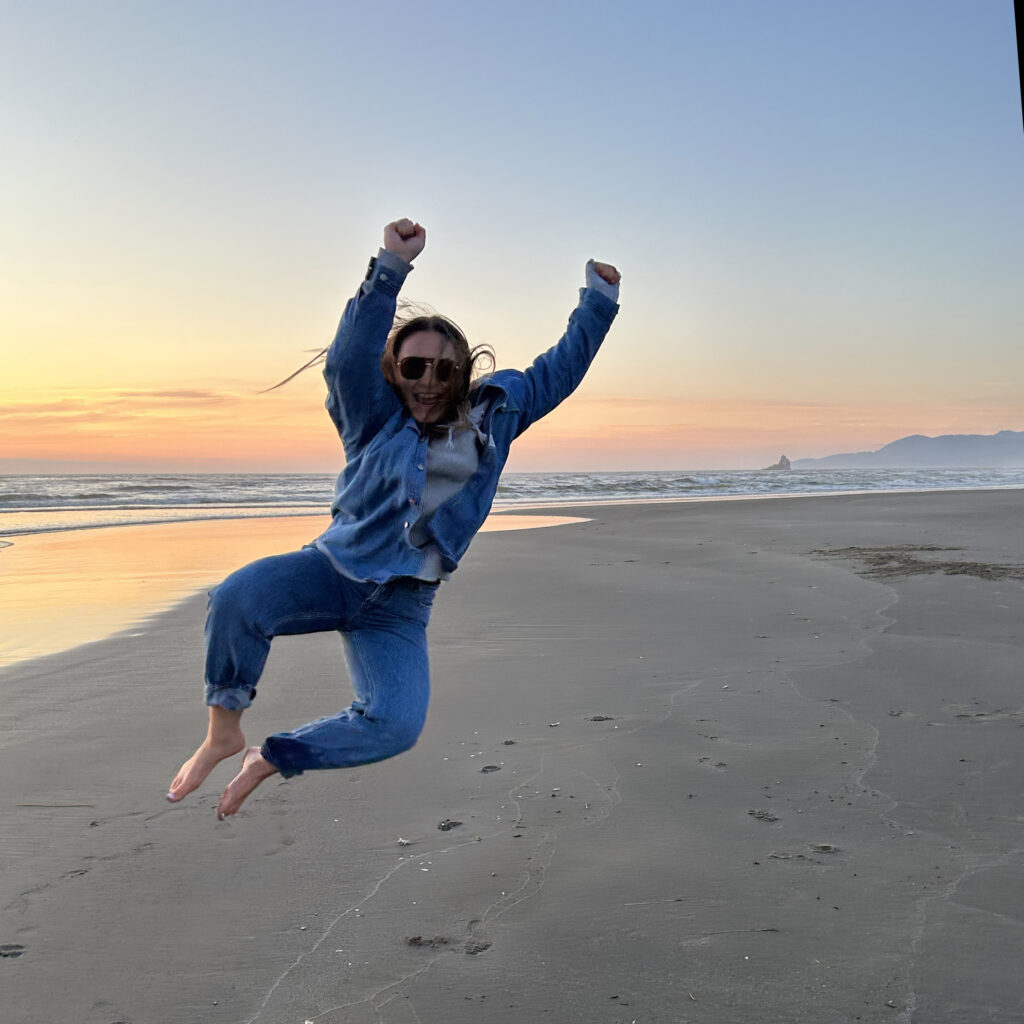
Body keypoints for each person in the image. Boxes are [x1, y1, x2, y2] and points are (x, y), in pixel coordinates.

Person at [167, 218, 620, 819]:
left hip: (403, 604)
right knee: (235, 597)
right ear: (394, 372)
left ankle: (271, 756)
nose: (428, 381)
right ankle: (224, 730)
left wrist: (599, 302)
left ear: (463, 372)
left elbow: (558, 370)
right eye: (413, 368)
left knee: (395, 725)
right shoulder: (372, 418)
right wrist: (389, 269)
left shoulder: (499, 412)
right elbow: (350, 357)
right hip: (334, 570)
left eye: (442, 369)